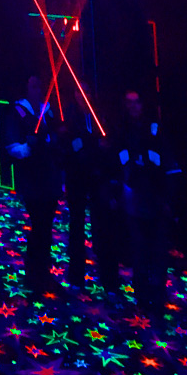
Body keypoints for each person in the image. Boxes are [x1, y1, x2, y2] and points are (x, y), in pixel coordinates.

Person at [117, 89, 181, 319]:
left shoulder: (155, 129)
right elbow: (119, 160)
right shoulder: (122, 131)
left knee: (158, 251)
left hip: (156, 198)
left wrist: (168, 198)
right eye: (129, 102)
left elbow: (168, 163)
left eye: (136, 102)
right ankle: (143, 297)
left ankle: (158, 297)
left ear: (143, 105)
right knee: (140, 250)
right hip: (135, 198)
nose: (133, 107)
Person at [5, 75, 62, 297]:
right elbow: (11, 146)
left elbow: (56, 138)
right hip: (31, 179)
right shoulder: (18, 111)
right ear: (27, 88)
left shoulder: (48, 111)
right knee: (39, 225)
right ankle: (34, 275)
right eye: (34, 86)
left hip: (50, 178)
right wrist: (29, 147)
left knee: (45, 227)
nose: (38, 90)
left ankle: (43, 274)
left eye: (40, 86)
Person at [62, 81, 120, 293]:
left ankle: (109, 280)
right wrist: (93, 144)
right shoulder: (69, 115)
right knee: (76, 227)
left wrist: (90, 145)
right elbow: (69, 145)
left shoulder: (99, 115)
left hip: (98, 177)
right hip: (76, 177)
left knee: (103, 227)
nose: (81, 95)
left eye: (85, 91)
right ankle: (76, 278)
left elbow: (108, 142)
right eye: (78, 91)